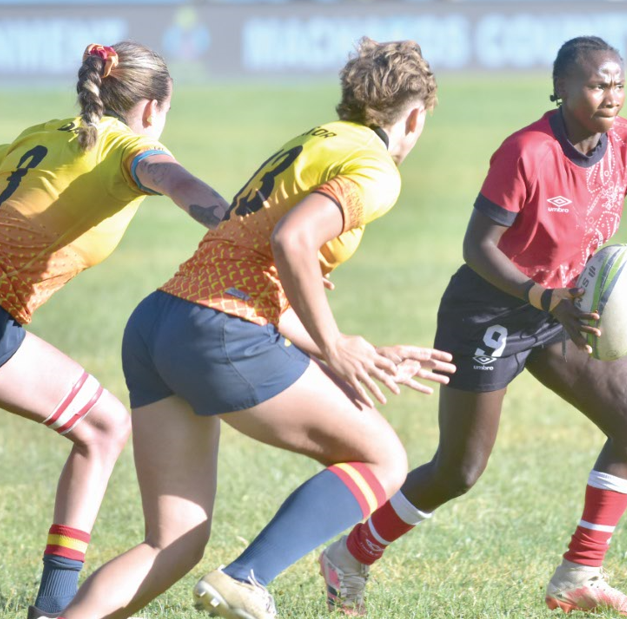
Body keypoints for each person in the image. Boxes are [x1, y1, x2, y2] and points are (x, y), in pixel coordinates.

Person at [57, 37, 454, 619]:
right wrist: (334, 346)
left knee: (173, 541)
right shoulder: (375, 167)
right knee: (382, 460)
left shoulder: (317, 140)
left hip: (161, 322)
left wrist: (351, 347)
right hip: (219, 328)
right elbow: (290, 240)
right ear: (414, 117)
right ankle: (247, 577)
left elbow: (258, 267)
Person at [320, 35, 627, 616]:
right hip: (490, 312)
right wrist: (542, 295)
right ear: (560, 89)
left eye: (617, 83)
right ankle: (349, 556)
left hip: (566, 309)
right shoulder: (527, 152)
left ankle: (578, 576)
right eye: (595, 84)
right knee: (460, 470)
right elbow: (477, 247)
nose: (611, 95)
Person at [0, 42, 229, 619]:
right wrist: (245, 236)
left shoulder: (42, 134)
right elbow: (182, 186)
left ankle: (54, 606)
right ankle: (54, 606)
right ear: (152, 108)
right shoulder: (129, 146)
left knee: (102, 426)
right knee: (102, 428)